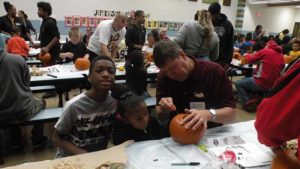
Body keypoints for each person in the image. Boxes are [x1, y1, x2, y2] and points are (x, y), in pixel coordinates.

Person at [153, 40, 236, 135]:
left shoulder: (213, 72)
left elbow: (232, 115)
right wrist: (163, 109)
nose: (170, 75)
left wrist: (209, 114)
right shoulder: (163, 76)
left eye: (172, 68)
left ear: (182, 55)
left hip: (208, 134)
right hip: (177, 135)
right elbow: (160, 116)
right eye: (166, 71)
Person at [53, 55, 117, 158]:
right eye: (99, 70)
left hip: (98, 156)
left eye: (111, 71)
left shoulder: (115, 102)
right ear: (89, 77)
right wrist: (84, 155)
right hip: (72, 158)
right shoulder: (74, 106)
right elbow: (57, 138)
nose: (106, 74)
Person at [0, 39, 47, 150]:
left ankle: (15, 140)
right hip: (22, 109)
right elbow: (27, 82)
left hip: (1, 112)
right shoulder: (17, 60)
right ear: (5, 45)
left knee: (8, 104)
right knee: (42, 101)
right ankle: (37, 138)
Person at [255, 57, 299, 152]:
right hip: (269, 83)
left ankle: (248, 101)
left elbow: (267, 126)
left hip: (262, 82)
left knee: (240, 84)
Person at [235, 41, 285, 111]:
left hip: (262, 81)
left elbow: (251, 59)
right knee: (246, 79)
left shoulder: (266, 51)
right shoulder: (281, 55)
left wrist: (246, 55)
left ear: (267, 45)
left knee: (238, 83)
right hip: (274, 84)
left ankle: (247, 103)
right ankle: (255, 98)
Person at [208, 2, 234, 69]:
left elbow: (230, 44)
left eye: (214, 15)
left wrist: (228, 61)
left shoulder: (227, 25)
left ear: (219, 13)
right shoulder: (208, 22)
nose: (213, 18)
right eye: (211, 15)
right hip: (208, 58)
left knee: (217, 78)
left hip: (221, 60)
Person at [37, 1, 60, 66]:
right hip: (46, 53)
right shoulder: (44, 22)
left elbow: (56, 37)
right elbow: (47, 38)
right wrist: (39, 45)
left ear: (46, 11)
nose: (38, 11)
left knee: (50, 71)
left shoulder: (50, 22)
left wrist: (47, 47)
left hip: (52, 53)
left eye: (40, 9)